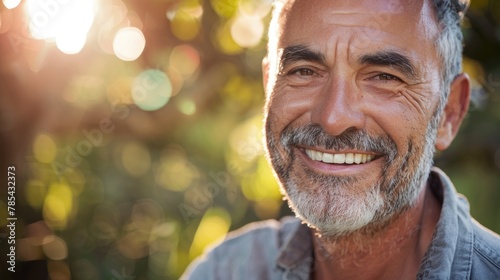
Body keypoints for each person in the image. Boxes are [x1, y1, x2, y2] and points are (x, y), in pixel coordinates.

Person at [182, 0, 500, 279]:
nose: (333, 119)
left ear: (449, 112)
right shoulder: (224, 271)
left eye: (384, 77)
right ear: (270, 88)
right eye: (303, 71)